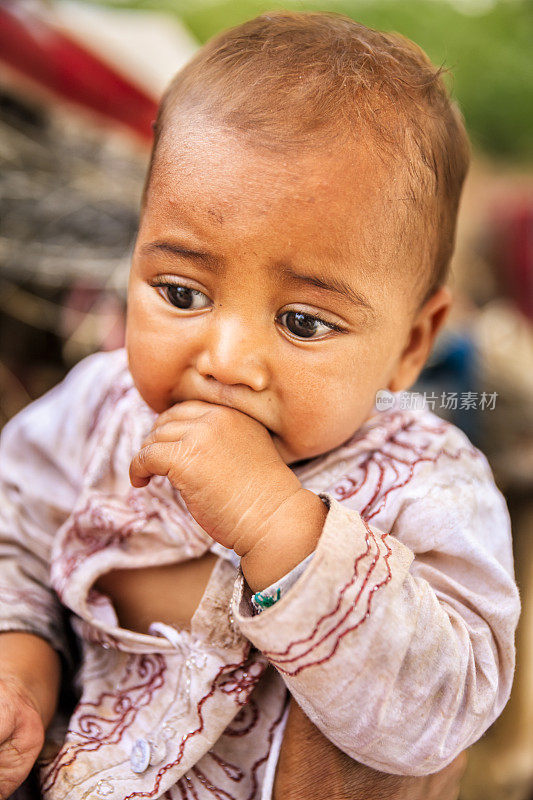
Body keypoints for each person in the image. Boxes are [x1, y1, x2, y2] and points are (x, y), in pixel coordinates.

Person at [0, 10, 520, 800]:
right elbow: (17, 542)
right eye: (181, 292)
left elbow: (444, 707)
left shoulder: (426, 485)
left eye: (303, 322)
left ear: (412, 343)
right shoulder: (97, 411)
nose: (227, 360)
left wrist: (277, 523)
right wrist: (22, 672)